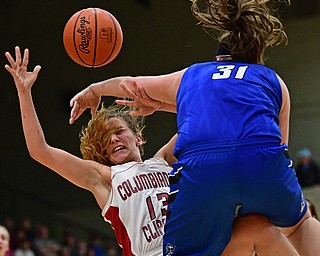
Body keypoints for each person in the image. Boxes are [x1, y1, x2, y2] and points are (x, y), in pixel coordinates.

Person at [68, 0, 320, 255]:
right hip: (262, 158)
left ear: (218, 58)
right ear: (255, 57)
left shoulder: (193, 75)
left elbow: (131, 83)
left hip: (204, 169)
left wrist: (94, 89)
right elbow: (279, 145)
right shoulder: (272, 79)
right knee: (300, 224)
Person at [4, 47, 300, 256]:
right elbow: (39, 150)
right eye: (105, 140)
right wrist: (24, 92)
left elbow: (208, 123)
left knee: (259, 228)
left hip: (197, 246)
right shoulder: (103, 177)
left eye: (119, 132)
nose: (114, 140)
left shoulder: (164, 161)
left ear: (138, 138)